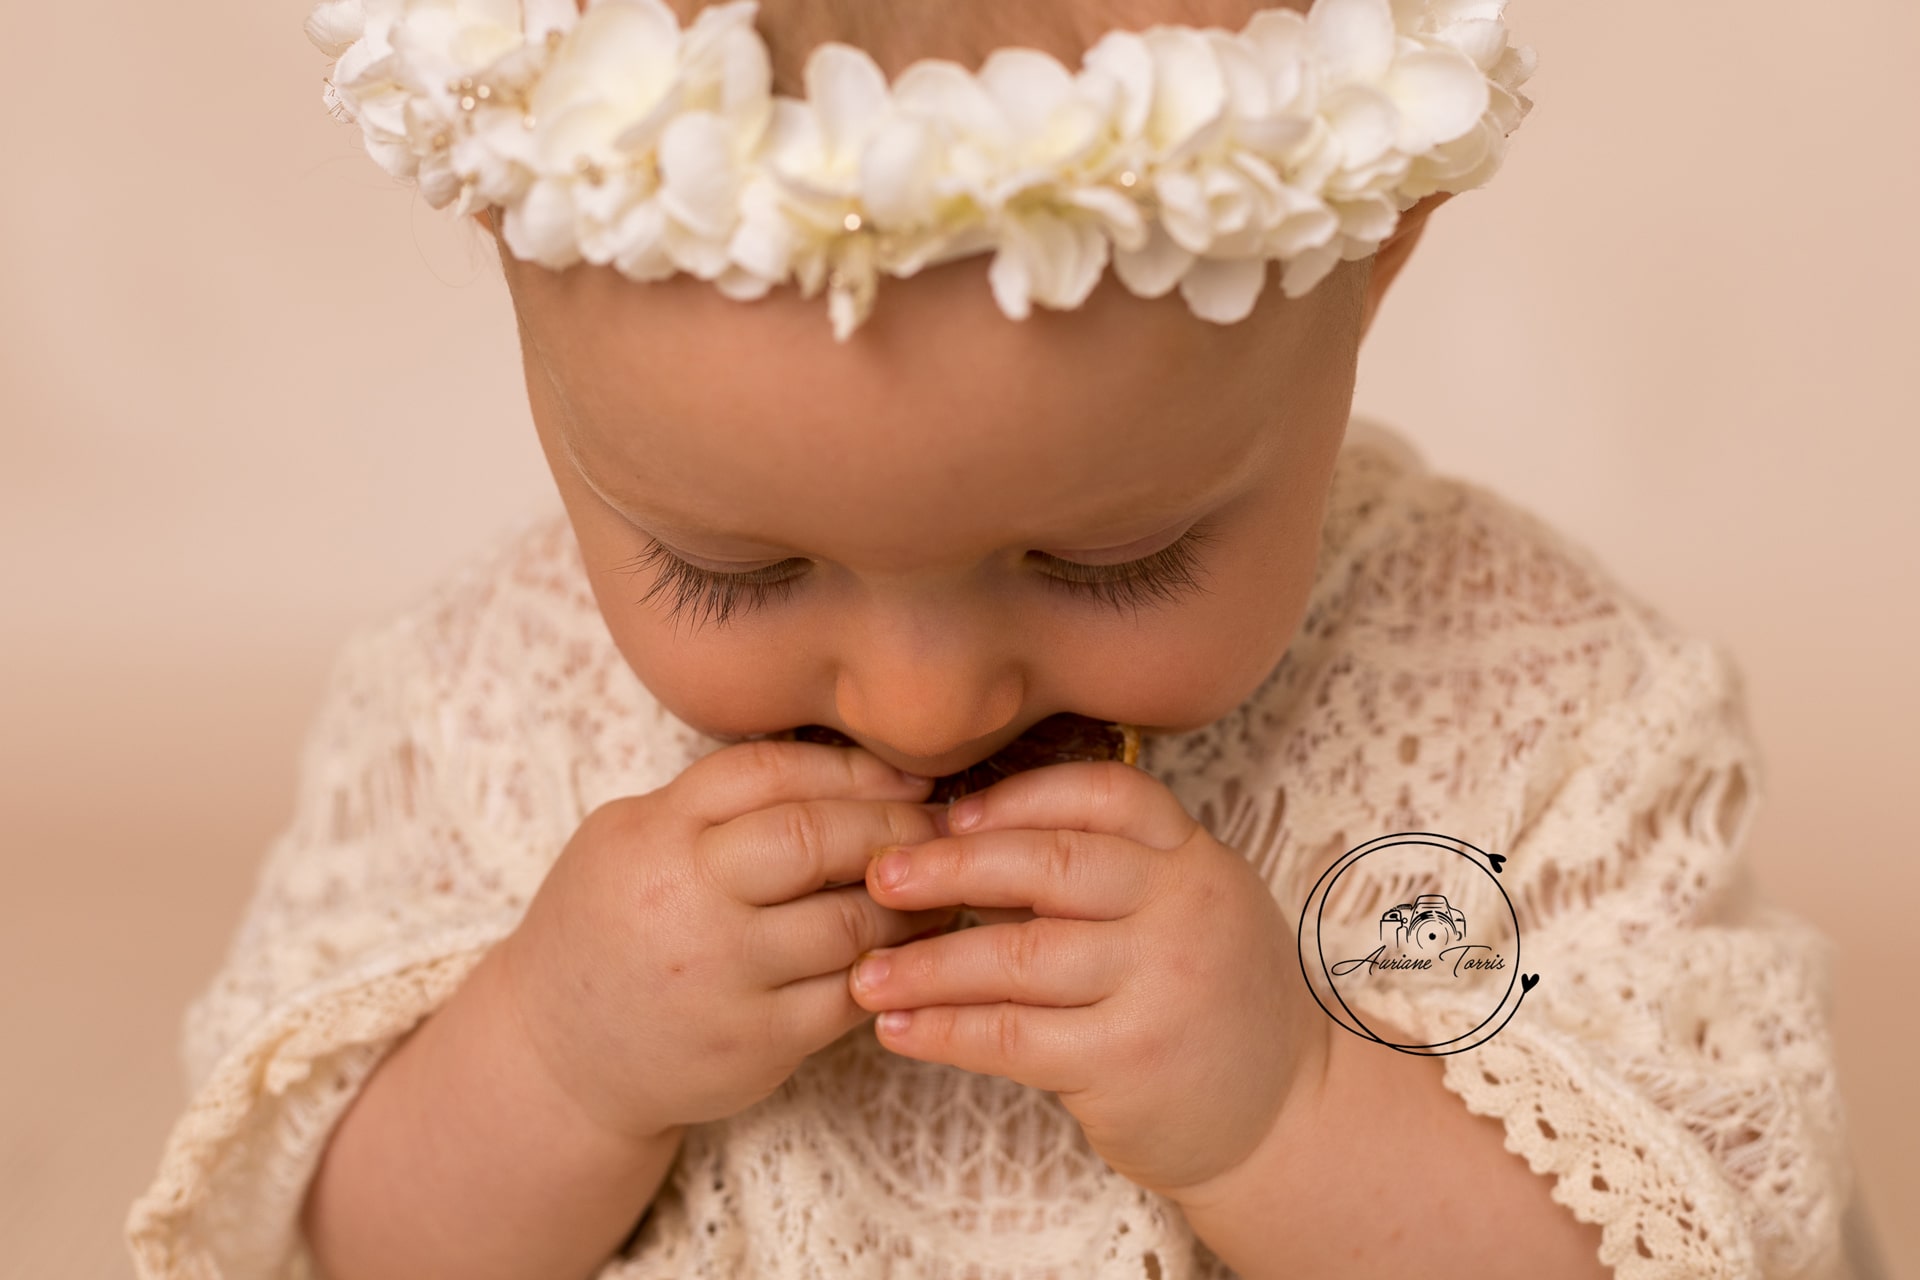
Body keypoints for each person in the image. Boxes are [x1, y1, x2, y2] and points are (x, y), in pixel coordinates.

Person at [124, 0, 1857, 1276]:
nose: (923, 699)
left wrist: (1286, 1112)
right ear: (518, 284)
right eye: (736, 570)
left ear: (1363, 276)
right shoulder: (483, 710)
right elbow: (317, 1243)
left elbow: (1707, 1233)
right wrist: (553, 1060)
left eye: (1115, 559)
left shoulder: (1529, 712)